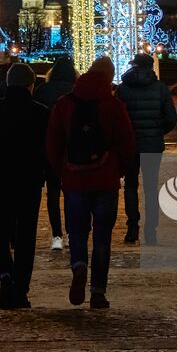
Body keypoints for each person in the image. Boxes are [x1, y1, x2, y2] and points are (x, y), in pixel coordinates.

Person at [46, 56, 135, 310]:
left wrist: (61, 169)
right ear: (109, 77)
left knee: (76, 231)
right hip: (105, 178)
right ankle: (98, 292)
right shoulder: (114, 105)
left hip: (74, 178)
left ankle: (79, 266)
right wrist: (121, 170)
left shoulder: (65, 104)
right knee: (102, 238)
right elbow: (127, 142)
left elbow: (53, 142)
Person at [0, 63, 51, 309]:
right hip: (29, 182)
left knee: (1, 232)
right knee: (26, 236)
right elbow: (48, 150)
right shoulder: (41, 113)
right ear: (31, 85)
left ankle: (5, 276)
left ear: (7, 83)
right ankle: (21, 289)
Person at [116, 53, 177, 245]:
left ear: (134, 65)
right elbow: (170, 118)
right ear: (151, 67)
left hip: (130, 145)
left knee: (131, 186)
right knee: (151, 187)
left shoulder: (122, 89)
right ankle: (151, 229)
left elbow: (118, 118)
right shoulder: (161, 89)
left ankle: (132, 227)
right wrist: (158, 131)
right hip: (152, 144)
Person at [33, 59, 76, 251]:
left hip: (48, 148)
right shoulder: (75, 91)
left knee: (52, 193)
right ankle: (71, 233)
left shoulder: (42, 90)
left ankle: (57, 235)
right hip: (71, 149)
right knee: (72, 193)